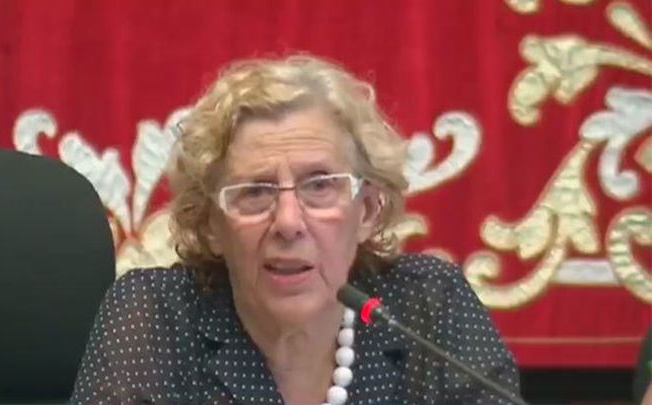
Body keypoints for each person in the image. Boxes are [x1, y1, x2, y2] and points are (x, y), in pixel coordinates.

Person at [70, 54, 520, 404]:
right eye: (254, 192)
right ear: (210, 225)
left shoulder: (429, 307)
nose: (288, 222)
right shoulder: (157, 316)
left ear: (366, 211)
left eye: (320, 186)